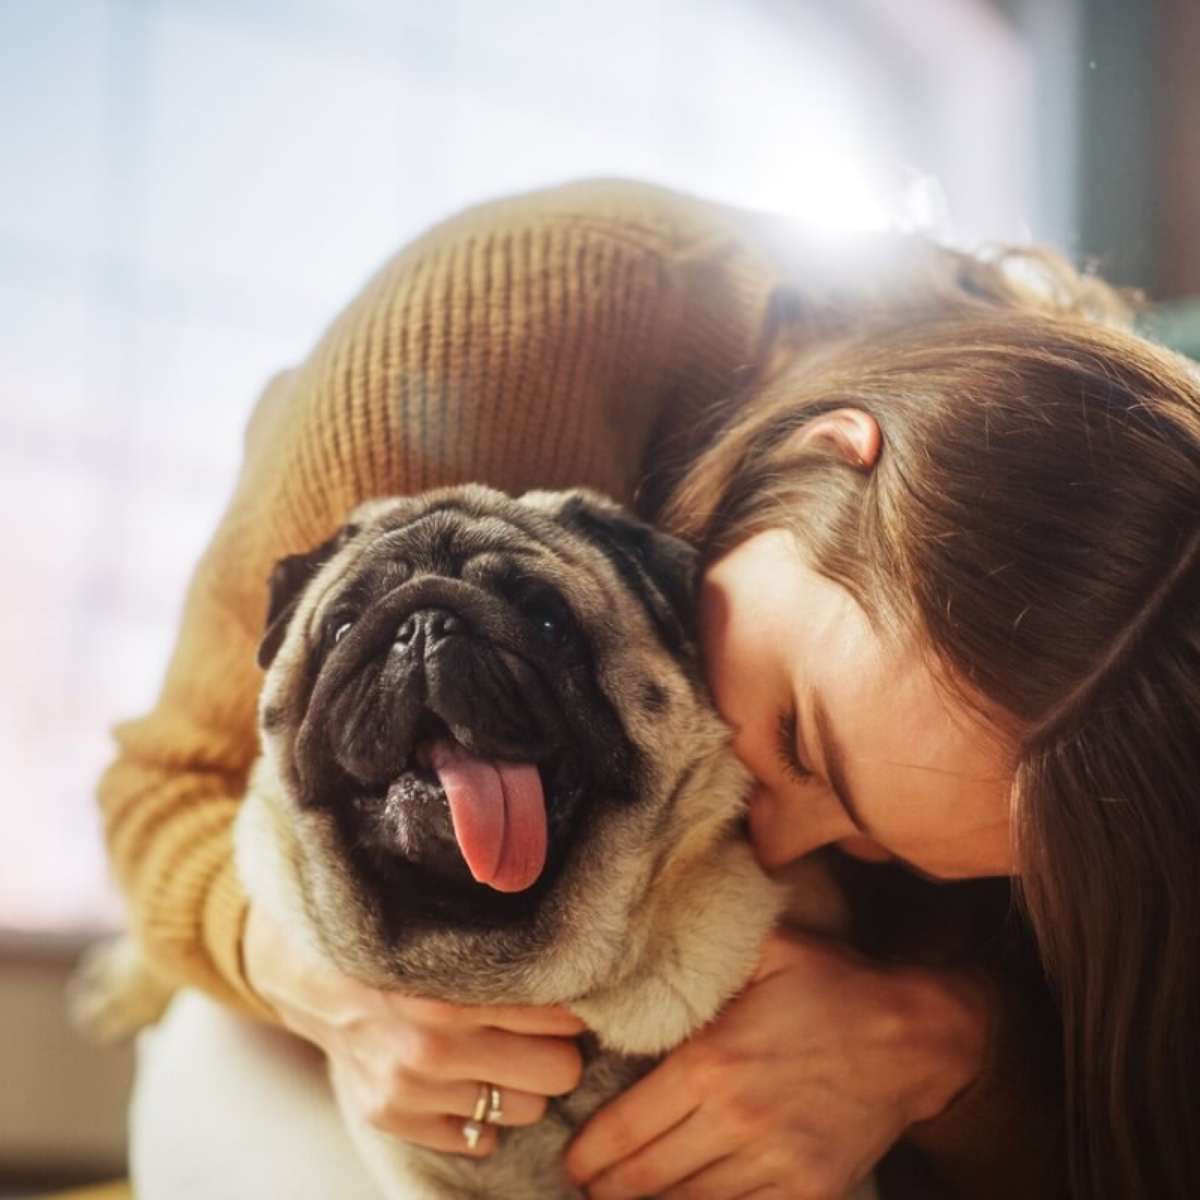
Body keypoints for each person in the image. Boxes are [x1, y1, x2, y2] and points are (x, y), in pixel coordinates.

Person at [99, 179, 1200, 1199]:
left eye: (891, 850)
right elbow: (164, 783)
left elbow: (1122, 1117)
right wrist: (323, 985)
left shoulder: (1128, 694)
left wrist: (945, 1043)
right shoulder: (496, 340)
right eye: (799, 741)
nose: (778, 842)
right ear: (830, 455)